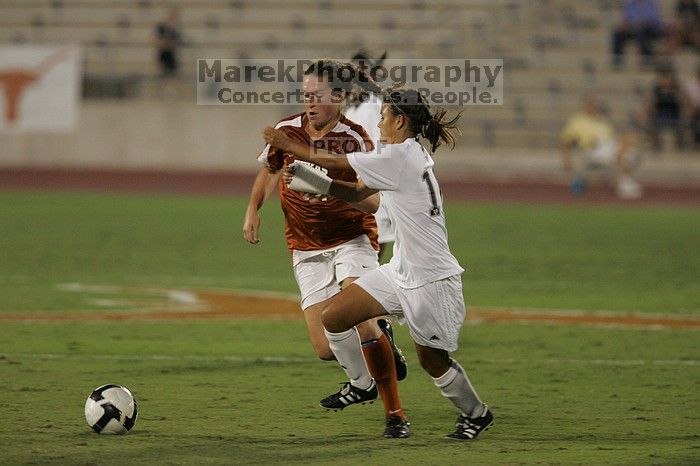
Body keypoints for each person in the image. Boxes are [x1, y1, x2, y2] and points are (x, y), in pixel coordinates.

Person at [262, 87, 493, 440]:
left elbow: (337, 162)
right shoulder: (401, 156)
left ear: (400, 121)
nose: (380, 121)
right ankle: (362, 383)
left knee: (432, 361)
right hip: (401, 270)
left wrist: (289, 145)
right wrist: (320, 184)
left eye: (384, 116)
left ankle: (476, 414)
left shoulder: (400, 157)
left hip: (431, 280)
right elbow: (359, 194)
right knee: (334, 317)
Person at [243, 60, 410, 438]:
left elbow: (373, 203)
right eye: (306, 96)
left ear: (338, 97)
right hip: (304, 246)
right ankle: (367, 375)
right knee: (323, 347)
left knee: (360, 318)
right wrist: (253, 209)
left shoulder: (354, 139)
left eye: (317, 96)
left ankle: (395, 415)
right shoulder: (288, 130)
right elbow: (268, 170)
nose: (310, 103)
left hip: (352, 239)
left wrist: (326, 186)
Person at [345, 50, 395, 262]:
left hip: (373, 183)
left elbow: (383, 144)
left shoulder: (376, 106)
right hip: (356, 184)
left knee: (376, 237)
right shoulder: (350, 111)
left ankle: (370, 281)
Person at [560, 96, 642, 199]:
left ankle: (625, 182)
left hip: (607, 146)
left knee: (630, 152)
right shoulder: (577, 121)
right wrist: (566, 160)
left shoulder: (602, 120)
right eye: (591, 106)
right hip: (590, 149)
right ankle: (625, 184)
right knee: (624, 150)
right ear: (586, 107)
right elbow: (565, 141)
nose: (594, 108)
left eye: (595, 106)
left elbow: (612, 137)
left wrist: (619, 143)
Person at [611, 0, 665, 69]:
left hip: (650, 30)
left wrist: (641, 24)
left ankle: (646, 58)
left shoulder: (652, 3)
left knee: (641, 32)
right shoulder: (629, 4)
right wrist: (625, 25)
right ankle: (617, 61)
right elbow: (626, 20)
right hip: (634, 29)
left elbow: (655, 20)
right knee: (617, 33)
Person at [155, 8, 181, 78]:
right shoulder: (162, 27)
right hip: (164, 54)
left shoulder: (175, 30)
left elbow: (176, 42)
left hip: (171, 55)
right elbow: (158, 41)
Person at [683, 64, 700, 148]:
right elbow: (687, 100)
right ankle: (697, 141)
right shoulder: (690, 85)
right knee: (695, 116)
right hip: (694, 111)